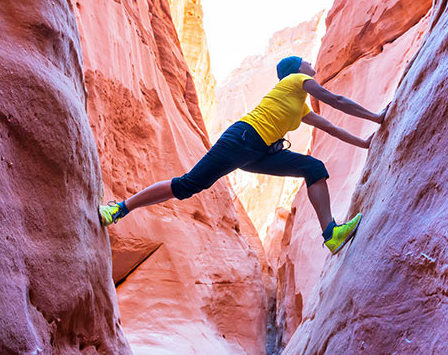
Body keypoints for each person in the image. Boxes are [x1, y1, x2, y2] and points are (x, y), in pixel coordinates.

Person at [99, 56, 388, 254]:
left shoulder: (300, 107)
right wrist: (377, 117)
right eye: (305, 61)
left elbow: (330, 127)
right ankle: (120, 208)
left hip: (257, 154)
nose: (310, 63)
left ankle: (331, 234)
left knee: (313, 168)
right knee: (188, 185)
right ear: (296, 68)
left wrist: (365, 144)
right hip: (242, 138)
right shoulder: (296, 80)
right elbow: (336, 100)